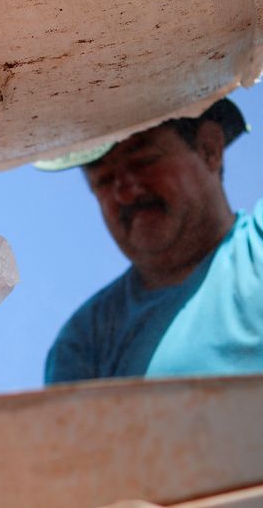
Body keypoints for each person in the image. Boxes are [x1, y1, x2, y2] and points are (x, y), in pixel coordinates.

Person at [42, 98, 263, 383]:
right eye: (105, 180)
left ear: (210, 149)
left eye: (143, 161)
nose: (125, 193)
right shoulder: (86, 341)